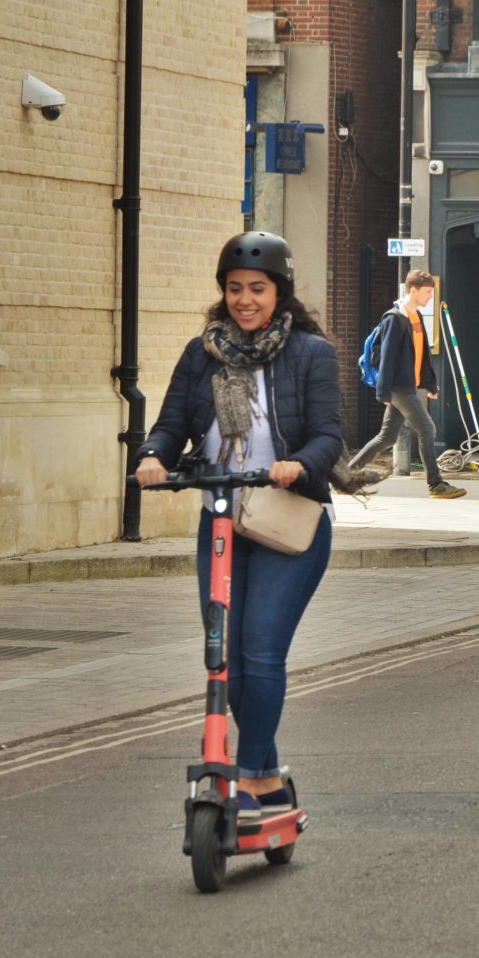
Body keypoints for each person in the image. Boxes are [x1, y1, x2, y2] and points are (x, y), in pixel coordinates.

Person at [135, 231, 347, 817]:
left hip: (288, 522)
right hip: (222, 517)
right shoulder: (201, 353)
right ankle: (268, 771)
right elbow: (171, 422)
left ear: (279, 291)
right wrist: (152, 457)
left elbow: (329, 435)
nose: (245, 300)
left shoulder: (310, 353)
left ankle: (253, 778)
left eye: (257, 288)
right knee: (223, 653)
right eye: (234, 289)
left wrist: (297, 465)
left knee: (259, 652)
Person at [350, 268, 466, 499]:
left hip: (407, 385)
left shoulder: (417, 317)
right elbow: (388, 357)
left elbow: (421, 356)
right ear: (413, 290)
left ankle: (345, 476)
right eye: (427, 292)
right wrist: (383, 391)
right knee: (427, 429)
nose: (430, 297)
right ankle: (436, 484)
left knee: (387, 437)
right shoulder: (394, 318)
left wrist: (430, 385)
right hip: (398, 387)